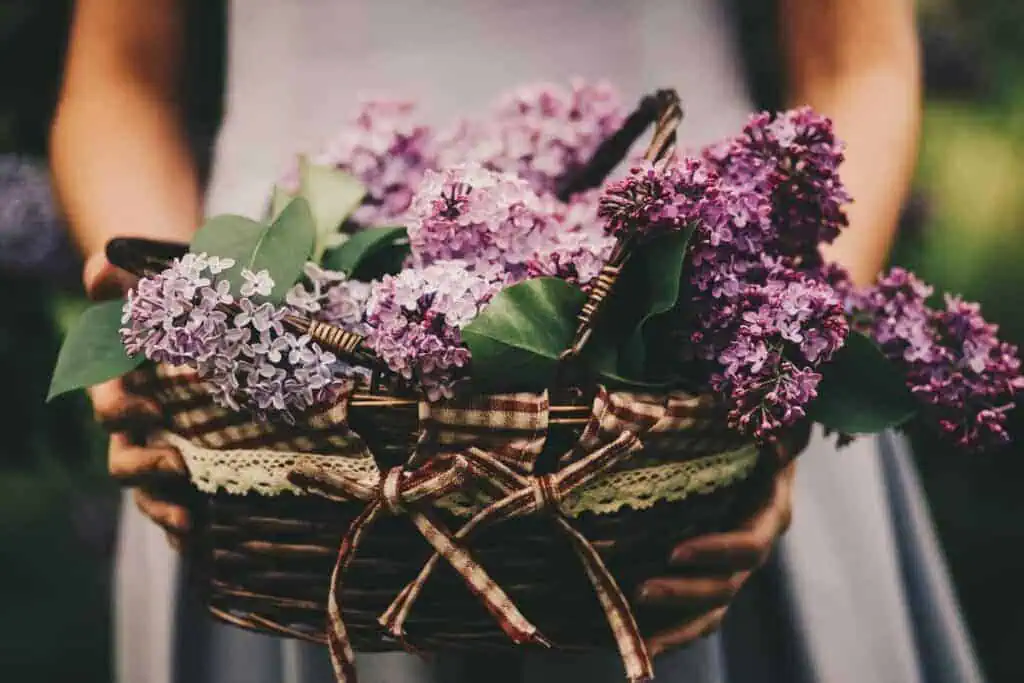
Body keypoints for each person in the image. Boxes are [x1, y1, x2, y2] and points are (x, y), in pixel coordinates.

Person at [50, 1, 981, 682]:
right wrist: (160, 330)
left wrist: (785, 361)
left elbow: (855, 63)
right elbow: (120, 79)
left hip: (677, 331)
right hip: (276, 350)